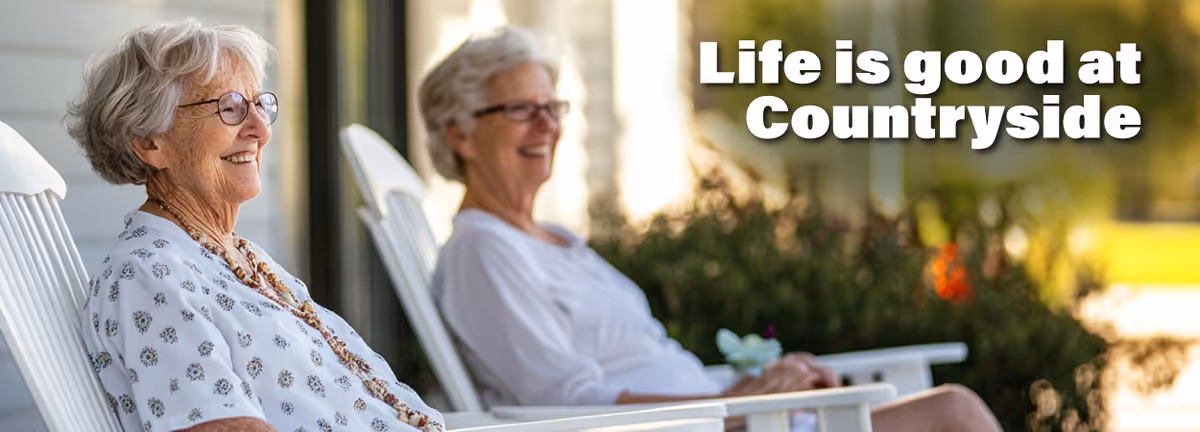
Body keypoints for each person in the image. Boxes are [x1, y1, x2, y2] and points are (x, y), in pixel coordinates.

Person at [423, 26, 1003, 432]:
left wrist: (765, 385)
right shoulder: (483, 250)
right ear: (460, 133)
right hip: (712, 427)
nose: (547, 125)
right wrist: (731, 403)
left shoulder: (549, 240)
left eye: (553, 107)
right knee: (951, 415)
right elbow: (561, 401)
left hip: (730, 420)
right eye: (522, 109)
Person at [68, 19, 442, 432]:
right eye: (229, 108)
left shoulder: (235, 256)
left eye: (259, 105)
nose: (261, 130)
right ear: (150, 142)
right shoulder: (148, 275)